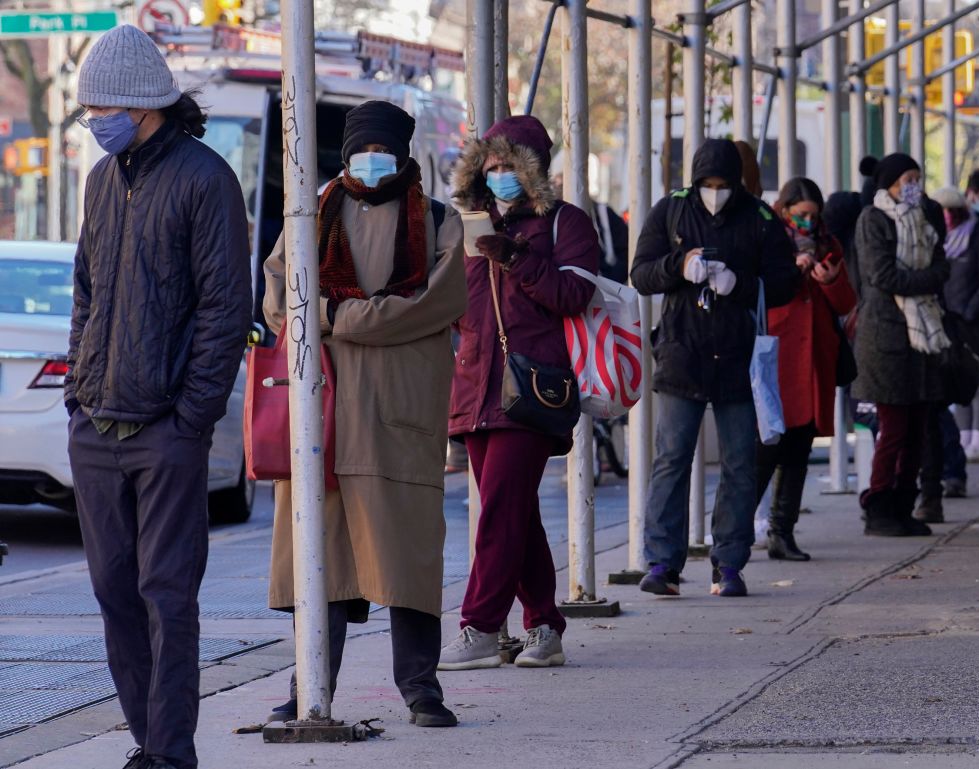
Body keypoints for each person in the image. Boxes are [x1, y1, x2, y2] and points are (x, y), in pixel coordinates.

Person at [65, 26, 252, 769]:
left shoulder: (206, 180)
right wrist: (79, 393)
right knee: (115, 595)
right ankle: (149, 739)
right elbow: (86, 294)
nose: (92, 122)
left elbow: (224, 311)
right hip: (96, 427)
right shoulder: (100, 183)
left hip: (166, 430)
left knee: (166, 598)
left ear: (142, 107)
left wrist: (191, 419)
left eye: (100, 108)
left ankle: (171, 753)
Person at [263, 101, 466, 727]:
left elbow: (436, 303)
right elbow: (278, 299)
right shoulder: (308, 216)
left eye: (382, 150)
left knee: (409, 557)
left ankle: (421, 689)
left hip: (397, 418)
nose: (371, 161)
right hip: (321, 420)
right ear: (345, 155)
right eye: (362, 150)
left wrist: (336, 316)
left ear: (403, 155)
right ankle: (308, 686)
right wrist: (343, 316)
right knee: (319, 561)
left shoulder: (437, 220)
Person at [440, 115, 600, 670]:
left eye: (511, 165)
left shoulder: (563, 223)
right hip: (476, 387)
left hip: (534, 385)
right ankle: (544, 626)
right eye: (492, 163)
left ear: (532, 169)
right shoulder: (467, 223)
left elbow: (574, 293)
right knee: (514, 512)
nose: (499, 173)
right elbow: (457, 308)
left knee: (501, 509)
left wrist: (515, 257)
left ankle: (480, 625)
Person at [630, 138, 796, 597]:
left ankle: (729, 563)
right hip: (682, 354)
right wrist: (677, 266)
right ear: (695, 180)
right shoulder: (671, 210)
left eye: (724, 184)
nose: (715, 191)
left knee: (741, 463)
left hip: (739, 361)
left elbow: (785, 282)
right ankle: (662, 562)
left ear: (737, 183)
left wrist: (739, 283)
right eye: (708, 184)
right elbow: (640, 272)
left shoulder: (760, 219)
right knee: (672, 460)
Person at [852, 153, 950, 537]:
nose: (914, 185)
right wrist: (926, 279)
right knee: (893, 428)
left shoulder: (926, 218)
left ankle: (905, 505)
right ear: (889, 183)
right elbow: (883, 275)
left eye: (917, 178)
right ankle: (879, 506)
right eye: (907, 178)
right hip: (887, 338)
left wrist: (926, 277)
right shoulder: (872, 219)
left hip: (923, 337)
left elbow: (943, 266)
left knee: (918, 429)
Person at [760, 177, 856, 561]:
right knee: (765, 449)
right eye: (801, 215)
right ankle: (733, 535)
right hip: (779, 356)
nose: (807, 222)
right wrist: (791, 269)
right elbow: (764, 291)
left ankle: (782, 532)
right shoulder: (771, 243)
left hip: (814, 357)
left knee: (799, 449)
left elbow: (847, 300)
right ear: (784, 211)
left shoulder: (829, 244)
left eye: (813, 216)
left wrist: (830, 282)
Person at [934, 186, 979, 463]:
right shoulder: (938, 241)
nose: (946, 216)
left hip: (977, 322)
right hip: (951, 322)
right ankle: (963, 439)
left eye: (950, 210)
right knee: (959, 384)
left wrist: (971, 310)